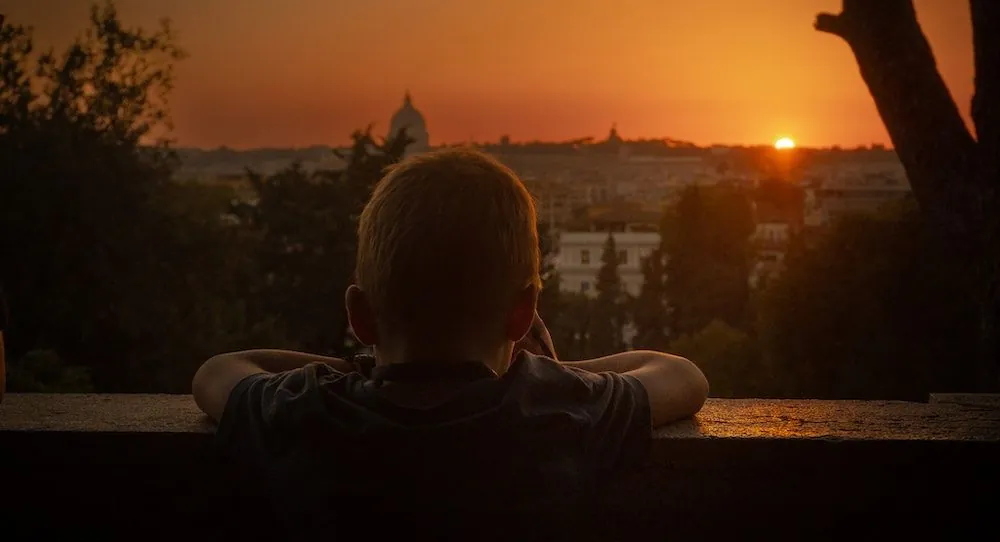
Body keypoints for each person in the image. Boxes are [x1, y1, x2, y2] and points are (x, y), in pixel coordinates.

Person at [192, 148, 708, 540]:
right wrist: (553, 369)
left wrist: (356, 367)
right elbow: (681, 376)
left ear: (361, 317)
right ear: (523, 312)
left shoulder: (305, 413)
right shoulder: (559, 410)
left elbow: (220, 370)